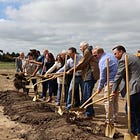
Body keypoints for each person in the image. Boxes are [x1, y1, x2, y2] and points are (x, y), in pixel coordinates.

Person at [112, 45, 140, 136]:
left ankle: (133, 131)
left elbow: (118, 76)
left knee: (130, 109)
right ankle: (138, 130)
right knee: (137, 110)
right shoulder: (133, 56)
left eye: (115, 54)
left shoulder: (124, 59)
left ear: (121, 51)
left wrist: (113, 90)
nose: (115, 56)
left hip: (134, 87)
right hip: (138, 86)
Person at [69, 42, 99, 118]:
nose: (80, 48)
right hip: (88, 75)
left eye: (80, 47)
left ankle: (89, 113)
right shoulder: (88, 51)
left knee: (87, 95)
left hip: (90, 76)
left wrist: (73, 69)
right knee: (86, 95)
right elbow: (84, 64)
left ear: (85, 46)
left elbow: (82, 62)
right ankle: (90, 112)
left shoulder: (87, 52)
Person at [92, 47, 118, 124]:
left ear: (100, 53)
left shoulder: (103, 61)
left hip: (110, 82)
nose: (94, 57)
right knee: (114, 101)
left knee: (108, 101)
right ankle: (114, 117)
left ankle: (109, 120)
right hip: (117, 82)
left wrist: (99, 88)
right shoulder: (111, 55)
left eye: (95, 55)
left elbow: (103, 76)